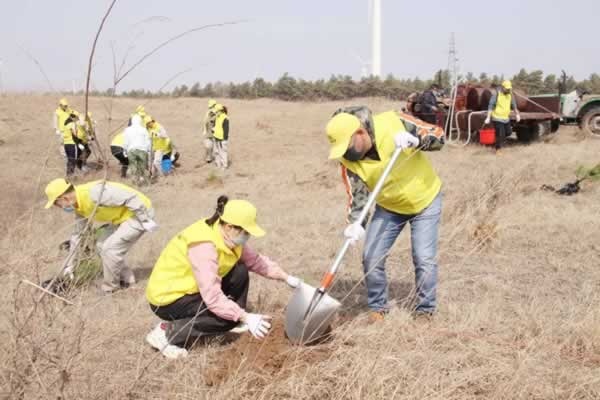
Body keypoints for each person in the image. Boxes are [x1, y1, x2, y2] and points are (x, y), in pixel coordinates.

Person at [325, 106, 444, 322]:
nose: (346, 153)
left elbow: (438, 134)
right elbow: (358, 197)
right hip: (389, 207)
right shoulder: (348, 160)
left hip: (424, 201)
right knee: (371, 256)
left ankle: (425, 310)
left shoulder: (393, 121)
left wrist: (417, 140)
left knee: (423, 258)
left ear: (360, 133)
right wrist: (355, 225)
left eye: (348, 146)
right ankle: (378, 307)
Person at [145, 196, 300, 359]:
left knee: (239, 270)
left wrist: (287, 278)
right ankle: (166, 333)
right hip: (168, 298)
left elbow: (255, 261)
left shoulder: (228, 237)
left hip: (192, 289)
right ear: (229, 227)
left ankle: (231, 318)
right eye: (245, 232)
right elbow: (212, 298)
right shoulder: (204, 246)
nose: (247, 237)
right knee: (225, 318)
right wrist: (244, 316)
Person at [44, 178, 158, 293]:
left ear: (64, 198)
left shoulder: (94, 193)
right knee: (101, 244)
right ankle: (127, 279)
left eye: (57, 204)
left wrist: (145, 220)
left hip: (139, 213)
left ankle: (110, 288)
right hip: (121, 218)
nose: (59, 208)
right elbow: (77, 235)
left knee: (110, 249)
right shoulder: (79, 207)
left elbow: (131, 197)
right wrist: (70, 266)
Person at [485, 80, 521, 155]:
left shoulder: (510, 95)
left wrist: (517, 114)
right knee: (500, 134)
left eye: (509, 88)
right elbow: (491, 106)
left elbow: (514, 105)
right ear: (502, 87)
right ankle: (498, 149)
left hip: (506, 118)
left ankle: (499, 140)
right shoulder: (496, 95)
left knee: (509, 132)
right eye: (507, 88)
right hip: (497, 118)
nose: (508, 90)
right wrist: (488, 117)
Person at [123, 114, 151, 185]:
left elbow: (126, 141)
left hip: (131, 150)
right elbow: (148, 141)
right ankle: (145, 182)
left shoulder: (127, 130)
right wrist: (148, 149)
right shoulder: (144, 129)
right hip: (143, 150)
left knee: (133, 167)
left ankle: (135, 183)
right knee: (143, 168)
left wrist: (125, 150)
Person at [212, 104, 230, 170]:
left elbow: (226, 130)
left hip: (222, 139)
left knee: (223, 152)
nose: (216, 113)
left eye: (216, 111)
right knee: (216, 151)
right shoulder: (217, 117)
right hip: (216, 137)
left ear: (220, 111)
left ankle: (224, 165)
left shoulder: (225, 118)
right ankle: (218, 164)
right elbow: (215, 126)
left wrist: (224, 140)